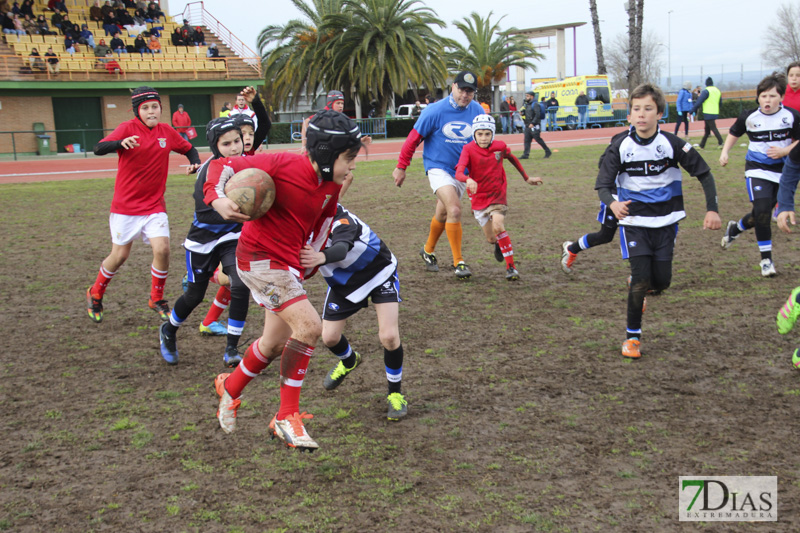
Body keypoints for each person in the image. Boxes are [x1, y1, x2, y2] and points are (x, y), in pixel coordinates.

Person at [210, 111, 362, 451]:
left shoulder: (331, 184)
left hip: (285, 263)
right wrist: (217, 198)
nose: (351, 168)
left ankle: (230, 387)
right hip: (259, 259)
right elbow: (221, 167)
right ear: (324, 153)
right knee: (309, 327)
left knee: (273, 344)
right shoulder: (281, 164)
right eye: (347, 159)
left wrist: (313, 257)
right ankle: (285, 416)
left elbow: (323, 223)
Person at [595, 83, 721, 359]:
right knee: (641, 279)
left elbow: (705, 174)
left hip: (666, 221)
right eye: (636, 109)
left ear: (660, 113)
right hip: (634, 222)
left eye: (648, 109)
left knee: (661, 282)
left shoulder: (673, 145)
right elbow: (603, 185)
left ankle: (640, 285)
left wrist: (712, 209)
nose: (641, 115)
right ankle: (632, 339)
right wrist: (613, 203)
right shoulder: (620, 146)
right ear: (629, 115)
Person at [86, 87, 201, 324]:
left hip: (154, 206)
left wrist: (195, 163)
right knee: (119, 256)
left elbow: (189, 149)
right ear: (138, 111)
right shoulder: (127, 128)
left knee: (163, 250)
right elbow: (98, 148)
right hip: (125, 207)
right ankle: (95, 292)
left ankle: (156, 298)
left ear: (161, 108)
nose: (151, 111)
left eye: (155, 107)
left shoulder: (166, 132)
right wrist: (119, 142)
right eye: (146, 108)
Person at [298, 203, 409, 420]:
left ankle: (395, 394)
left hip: (379, 272)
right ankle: (350, 360)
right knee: (329, 337)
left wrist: (319, 258)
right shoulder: (300, 223)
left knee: (389, 336)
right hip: (344, 281)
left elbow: (341, 247)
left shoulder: (340, 218)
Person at [157, 117, 252, 366]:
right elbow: (206, 213)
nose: (234, 148)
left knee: (240, 285)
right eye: (226, 144)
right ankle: (169, 330)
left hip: (232, 238)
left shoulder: (246, 165)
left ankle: (231, 348)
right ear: (214, 146)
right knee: (194, 296)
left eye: (237, 141)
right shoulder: (209, 171)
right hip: (203, 241)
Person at [392, 71, 484, 280]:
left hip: (462, 173)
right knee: (455, 209)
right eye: (462, 89)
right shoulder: (434, 111)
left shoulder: (477, 111)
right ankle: (459, 262)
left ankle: (428, 251)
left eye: (470, 91)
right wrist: (401, 167)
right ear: (453, 87)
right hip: (438, 168)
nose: (465, 95)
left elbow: (483, 144)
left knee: (444, 214)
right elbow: (412, 140)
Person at [719, 73, 800, 277]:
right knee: (762, 210)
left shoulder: (791, 116)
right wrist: (725, 152)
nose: (767, 100)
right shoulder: (749, 116)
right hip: (757, 169)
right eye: (763, 96)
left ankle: (735, 229)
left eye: (772, 96)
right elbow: (734, 132)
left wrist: (785, 151)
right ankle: (766, 260)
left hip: (783, 171)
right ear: (758, 98)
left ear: (781, 97)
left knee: (760, 214)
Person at [455, 114, 542, 280]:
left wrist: (527, 177)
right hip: (479, 197)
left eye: (487, 134)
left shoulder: (500, 146)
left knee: (498, 225)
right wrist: (468, 179)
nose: (483, 138)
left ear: (493, 134)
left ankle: (511, 268)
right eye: (479, 134)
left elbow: (512, 158)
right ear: (474, 134)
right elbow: (459, 172)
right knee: (491, 238)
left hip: (497, 194)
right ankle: (498, 244)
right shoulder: (468, 149)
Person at [561, 142, 623, 275]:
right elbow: (603, 164)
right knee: (606, 236)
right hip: (615, 197)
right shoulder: (621, 141)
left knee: (638, 234)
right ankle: (572, 249)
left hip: (638, 198)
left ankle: (643, 277)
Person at [300, 89, 344, 154]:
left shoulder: (339, 116)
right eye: (338, 103)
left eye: (342, 103)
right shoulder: (323, 113)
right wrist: (303, 146)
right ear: (330, 103)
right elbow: (306, 122)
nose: (341, 106)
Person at [691, 77, 724, 149]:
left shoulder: (706, 91)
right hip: (715, 111)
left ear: (706, 84)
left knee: (713, 128)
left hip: (708, 112)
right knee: (707, 130)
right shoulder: (717, 90)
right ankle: (702, 145)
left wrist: (692, 110)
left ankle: (721, 142)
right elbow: (720, 103)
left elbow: (699, 101)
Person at [519, 90, 551, 159]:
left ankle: (547, 151)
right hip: (528, 125)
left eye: (527, 96)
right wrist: (523, 113)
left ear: (532, 96)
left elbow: (537, 115)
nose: (526, 97)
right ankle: (525, 154)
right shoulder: (527, 104)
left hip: (534, 125)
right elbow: (528, 113)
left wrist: (533, 123)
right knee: (527, 140)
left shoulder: (535, 104)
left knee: (538, 139)